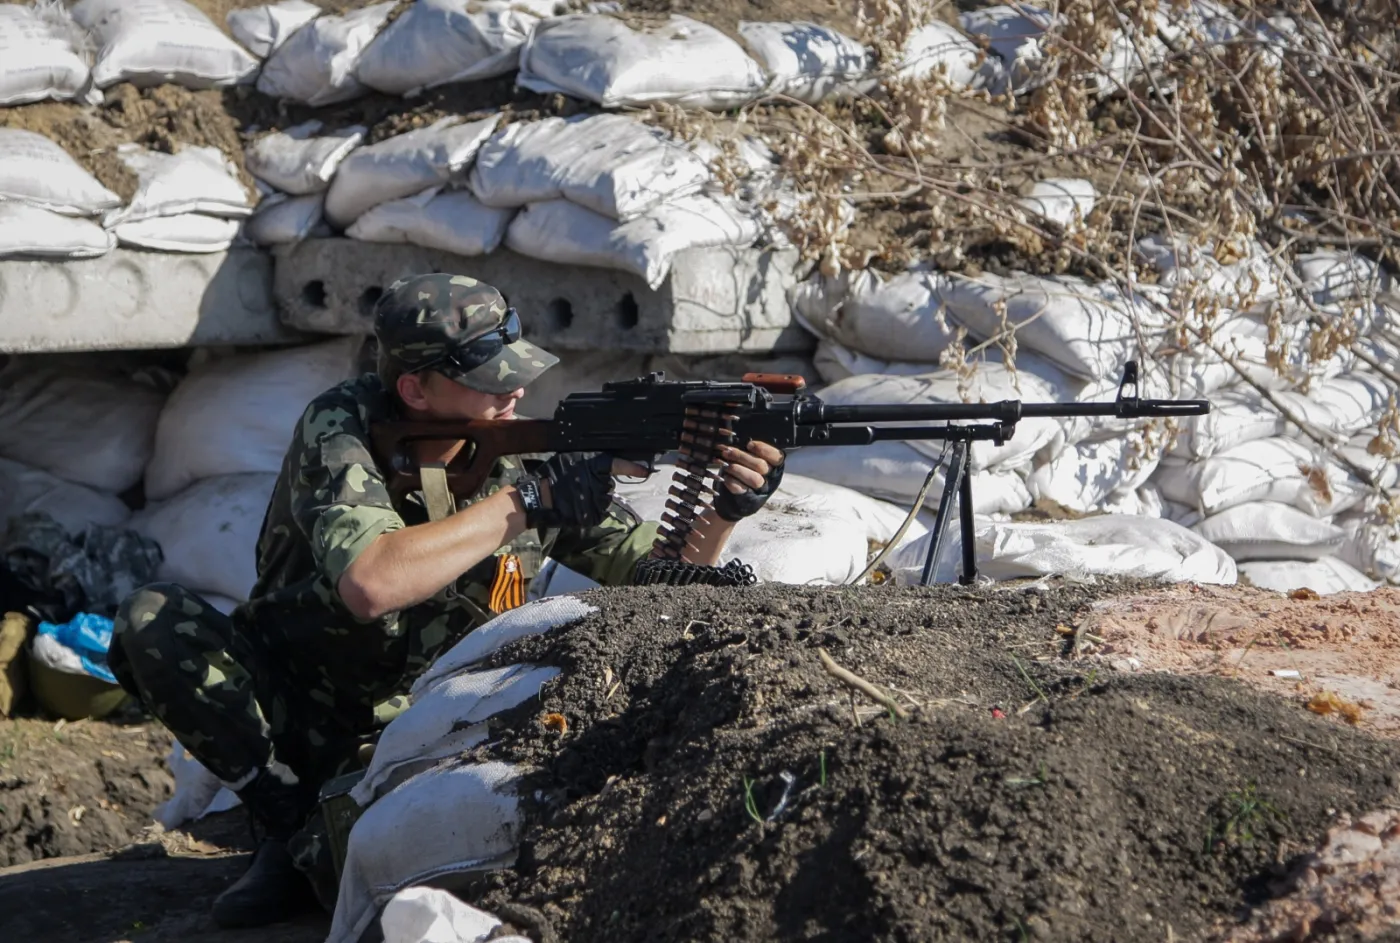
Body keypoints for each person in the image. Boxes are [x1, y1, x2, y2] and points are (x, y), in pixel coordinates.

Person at [107, 274, 786, 928]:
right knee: (154, 622)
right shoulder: (342, 428)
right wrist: (524, 505)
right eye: (489, 380)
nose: (515, 390)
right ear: (415, 389)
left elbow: (655, 580)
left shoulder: (519, 452)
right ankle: (289, 828)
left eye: (517, 370)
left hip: (424, 732)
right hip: (297, 703)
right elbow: (371, 583)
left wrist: (723, 511)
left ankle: (324, 837)